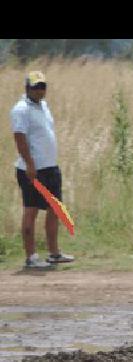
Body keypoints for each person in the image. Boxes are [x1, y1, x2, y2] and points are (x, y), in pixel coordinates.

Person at [11, 71, 74, 269]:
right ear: (27, 88)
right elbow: (20, 138)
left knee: (54, 209)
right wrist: (29, 163)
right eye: (36, 87)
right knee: (31, 211)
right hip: (32, 170)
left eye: (42, 86)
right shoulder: (21, 110)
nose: (40, 91)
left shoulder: (44, 106)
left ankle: (54, 253)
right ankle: (31, 257)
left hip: (50, 167)